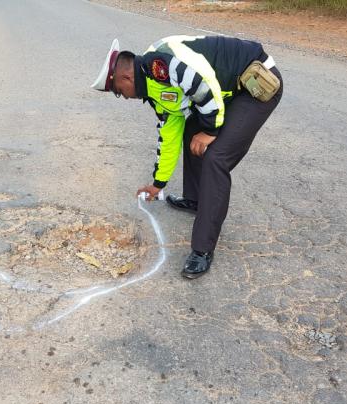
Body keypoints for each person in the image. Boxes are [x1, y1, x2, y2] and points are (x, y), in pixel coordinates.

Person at [91, 35, 283, 279]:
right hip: (229, 88)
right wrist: (158, 183)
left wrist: (211, 131)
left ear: (126, 78)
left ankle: (202, 250)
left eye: (119, 91)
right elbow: (170, 133)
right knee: (191, 129)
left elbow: (204, 88)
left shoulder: (161, 65)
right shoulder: (153, 85)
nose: (125, 97)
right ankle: (195, 199)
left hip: (257, 82)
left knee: (216, 158)